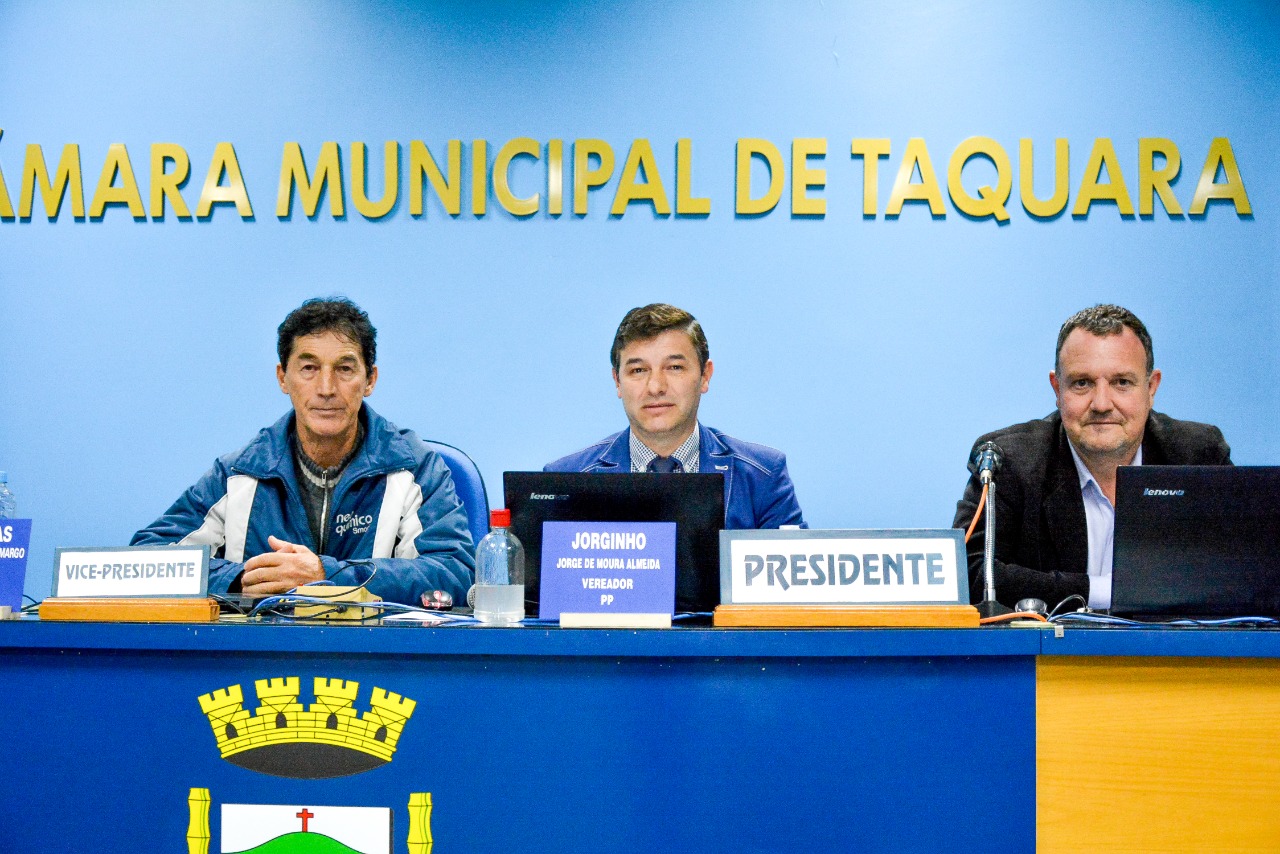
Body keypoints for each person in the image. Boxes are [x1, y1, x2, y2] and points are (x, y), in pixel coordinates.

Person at [132, 297, 474, 606]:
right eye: (309, 368)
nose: (326, 389)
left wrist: (326, 576)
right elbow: (145, 562)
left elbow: (455, 573)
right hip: (260, 661)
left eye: (344, 369)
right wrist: (246, 577)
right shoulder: (241, 473)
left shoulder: (415, 468)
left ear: (370, 380)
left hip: (375, 663)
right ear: (283, 378)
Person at [952, 304, 1231, 610]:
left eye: (1121, 382)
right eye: (1082, 383)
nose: (1101, 403)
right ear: (1057, 389)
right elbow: (968, 573)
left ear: (1151, 388)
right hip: (1052, 656)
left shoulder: (1198, 457)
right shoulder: (1009, 462)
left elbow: (1245, 570)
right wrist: (1106, 591)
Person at [544, 303, 806, 529]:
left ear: (705, 375)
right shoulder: (566, 480)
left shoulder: (761, 476)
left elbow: (794, 585)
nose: (656, 387)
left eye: (675, 367)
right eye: (638, 370)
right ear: (617, 381)